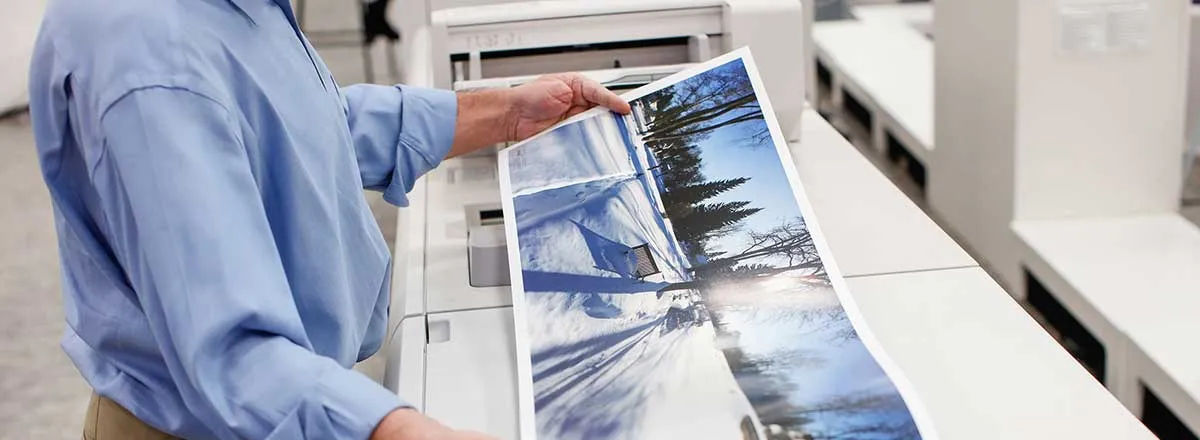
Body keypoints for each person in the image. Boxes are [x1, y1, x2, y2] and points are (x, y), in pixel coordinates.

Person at [27, 0, 631, 438]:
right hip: (213, 419)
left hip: (281, 400)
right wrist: (402, 428)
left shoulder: (235, 12)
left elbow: (302, 129)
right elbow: (232, 353)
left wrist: (503, 114)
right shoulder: (147, 55)